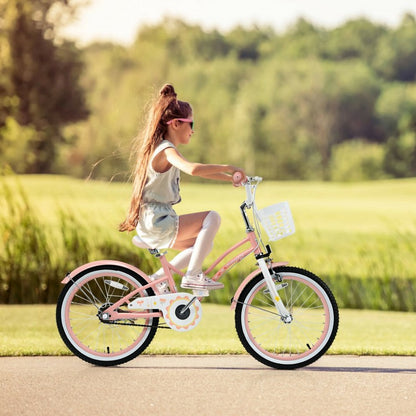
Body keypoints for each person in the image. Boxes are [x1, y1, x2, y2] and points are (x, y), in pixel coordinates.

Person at [120, 84, 246, 291]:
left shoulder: (163, 148)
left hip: (155, 220)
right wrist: (229, 168)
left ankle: (156, 281)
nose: (193, 130)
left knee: (203, 245)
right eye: (191, 123)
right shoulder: (166, 150)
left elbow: (197, 170)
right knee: (212, 217)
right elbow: (193, 169)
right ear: (176, 124)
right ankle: (193, 275)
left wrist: (231, 179)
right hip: (157, 221)